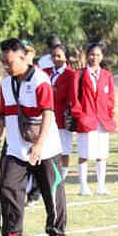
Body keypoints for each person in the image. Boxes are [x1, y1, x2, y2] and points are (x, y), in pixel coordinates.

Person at [0, 38, 67, 236]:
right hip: (15, 148)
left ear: (23, 57)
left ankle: (57, 235)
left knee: (51, 190)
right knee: (7, 188)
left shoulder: (40, 80)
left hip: (45, 148)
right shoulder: (5, 84)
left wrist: (39, 146)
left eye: (9, 62)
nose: (6, 66)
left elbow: (48, 114)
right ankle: (14, 235)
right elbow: (5, 116)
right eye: (3, 62)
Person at [71, 41, 117, 195]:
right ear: (86, 55)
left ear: (102, 56)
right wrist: (80, 115)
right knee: (84, 154)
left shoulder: (107, 75)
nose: (94, 57)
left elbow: (110, 98)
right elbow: (74, 98)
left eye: (97, 55)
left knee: (101, 154)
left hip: (103, 120)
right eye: (91, 54)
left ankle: (101, 185)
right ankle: (83, 186)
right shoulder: (79, 74)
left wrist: (109, 115)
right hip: (86, 119)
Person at [46, 42, 76, 180]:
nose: (56, 58)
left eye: (59, 55)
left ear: (66, 57)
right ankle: (50, 174)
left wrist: (52, 91)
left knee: (64, 150)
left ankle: (62, 175)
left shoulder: (70, 74)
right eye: (53, 56)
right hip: (46, 118)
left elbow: (68, 96)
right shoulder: (46, 72)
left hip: (62, 117)